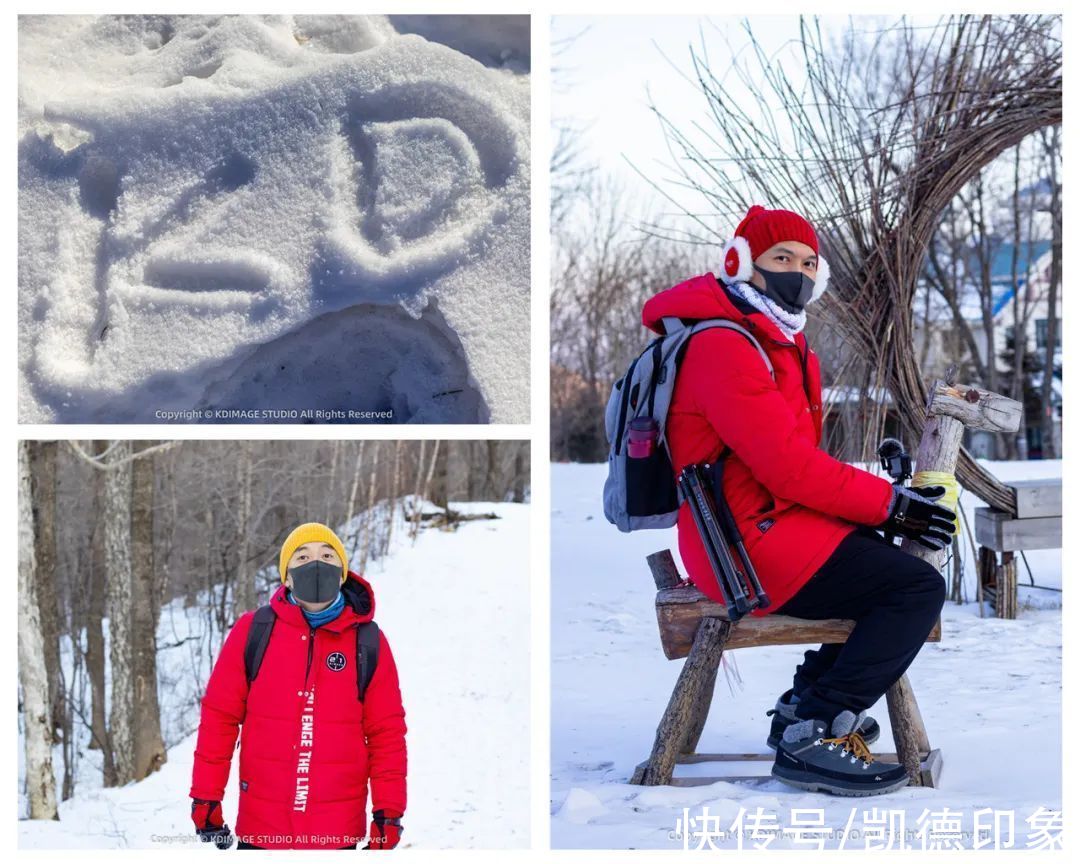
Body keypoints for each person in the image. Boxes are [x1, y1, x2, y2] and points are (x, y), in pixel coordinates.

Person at [640, 204, 956, 796]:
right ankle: (813, 730)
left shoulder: (777, 340)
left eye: (809, 262)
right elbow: (786, 468)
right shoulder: (725, 348)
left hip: (762, 527)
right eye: (780, 259)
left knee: (884, 561)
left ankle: (800, 707)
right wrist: (890, 504)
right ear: (741, 264)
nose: (798, 273)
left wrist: (884, 507)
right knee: (914, 587)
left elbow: (790, 464)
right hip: (742, 547)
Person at [190, 523, 407, 848]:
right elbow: (220, 718)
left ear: (342, 572)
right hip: (261, 830)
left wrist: (388, 814)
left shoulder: (368, 642)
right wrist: (206, 795)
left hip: (336, 833)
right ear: (287, 577)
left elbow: (386, 734)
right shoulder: (254, 631)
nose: (315, 564)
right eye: (302, 557)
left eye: (327, 555)